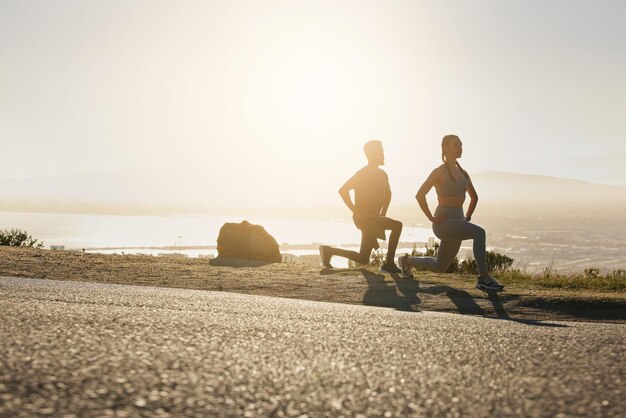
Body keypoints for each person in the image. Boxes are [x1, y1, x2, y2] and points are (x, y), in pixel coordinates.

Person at [398, 134, 504, 291]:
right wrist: (431, 218)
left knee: (440, 266)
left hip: (458, 222)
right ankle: (484, 278)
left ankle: (407, 261)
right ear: (445, 149)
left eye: (461, 145)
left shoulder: (464, 174)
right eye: (456, 145)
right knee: (479, 233)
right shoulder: (438, 172)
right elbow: (420, 195)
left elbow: (474, 198)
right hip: (443, 223)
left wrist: (466, 217)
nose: (460, 148)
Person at [319, 140, 403, 274]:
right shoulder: (362, 174)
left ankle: (329, 251)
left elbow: (388, 194)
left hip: (374, 219)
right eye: (380, 151)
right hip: (363, 219)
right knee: (397, 225)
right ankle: (389, 264)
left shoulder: (383, 175)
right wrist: (355, 211)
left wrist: (383, 213)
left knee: (363, 258)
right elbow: (343, 190)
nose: (383, 154)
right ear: (372, 154)